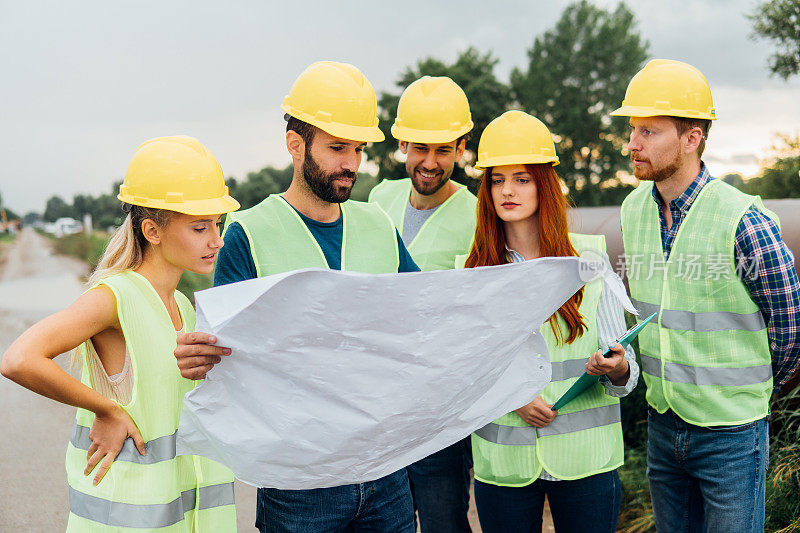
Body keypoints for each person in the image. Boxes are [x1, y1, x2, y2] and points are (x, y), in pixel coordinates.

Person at [174, 61, 418, 533]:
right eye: (337, 147)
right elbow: (224, 350)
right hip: (299, 484)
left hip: (385, 474)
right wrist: (197, 355)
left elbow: (422, 321)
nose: (351, 163)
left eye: (358, 149)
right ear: (295, 144)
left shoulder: (379, 228)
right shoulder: (249, 232)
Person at [0, 135, 239, 531]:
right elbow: (19, 359)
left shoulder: (182, 305)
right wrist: (106, 409)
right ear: (152, 230)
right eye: (200, 228)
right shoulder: (115, 297)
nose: (217, 240)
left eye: (217, 224)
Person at [614, 59, 800, 532]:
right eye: (633, 130)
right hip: (663, 424)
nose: (632, 143)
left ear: (692, 137)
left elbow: (790, 327)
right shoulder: (633, 210)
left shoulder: (743, 221)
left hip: (732, 436)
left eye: (648, 132)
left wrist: (746, 394)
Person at [462, 110, 639, 533]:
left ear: (544, 184)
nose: (508, 190)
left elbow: (627, 372)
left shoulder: (589, 260)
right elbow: (461, 375)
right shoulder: (471, 272)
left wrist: (616, 368)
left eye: (522, 179)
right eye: (497, 179)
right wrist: (511, 398)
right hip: (505, 468)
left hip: (586, 463)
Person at [368, 75, 477, 532]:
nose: (430, 163)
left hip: (440, 412)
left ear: (461, 148)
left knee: (442, 522)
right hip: (380, 409)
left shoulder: (477, 215)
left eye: (443, 150)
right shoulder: (378, 200)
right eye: (420, 149)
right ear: (402, 146)